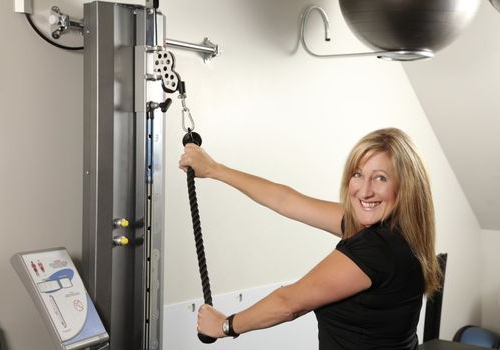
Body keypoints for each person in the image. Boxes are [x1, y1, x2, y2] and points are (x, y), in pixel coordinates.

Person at [178, 127, 441, 349]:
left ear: (405, 187)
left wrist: (225, 325)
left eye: (380, 178)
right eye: (358, 174)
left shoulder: (376, 249)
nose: (365, 190)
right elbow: (287, 201)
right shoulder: (397, 232)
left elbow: (288, 303)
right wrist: (214, 169)